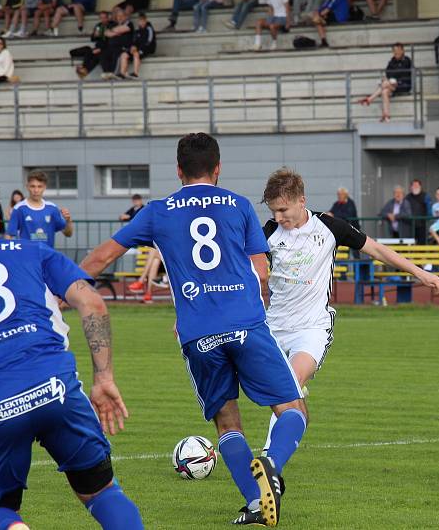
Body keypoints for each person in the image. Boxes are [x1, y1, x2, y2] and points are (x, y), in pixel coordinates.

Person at [80, 133, 308, 527]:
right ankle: (270, 463)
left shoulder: (157, 211)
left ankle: (256, 502)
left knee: (226, 421)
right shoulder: (238, 205)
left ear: (178, 170)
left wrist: (55, 293)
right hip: (246, 324)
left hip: (198, 331)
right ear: (218, 168)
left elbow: (101, 258)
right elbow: (262, 270)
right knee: (293, 409)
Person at [0, 178, 142, 529]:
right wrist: (104, 378)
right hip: (56, 389)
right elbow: (92, 302)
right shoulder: (33, 252)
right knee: (101, 492)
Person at [260, 168, 439, 449]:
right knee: (291, 401)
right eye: (274, 211)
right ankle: (294, 421)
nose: (278, 217)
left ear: (301, 201)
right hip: (273, 327)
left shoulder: (330, 227)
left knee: (287, 384)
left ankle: (269, 460)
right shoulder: (269, 234)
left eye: (283, 210)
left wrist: (419, 273)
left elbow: (378, 250)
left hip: (311, 327)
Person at [6, 171, 74, 248]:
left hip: (48, 257)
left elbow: (68, 234)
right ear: (27, 186)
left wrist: (68, 221)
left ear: (44, 187)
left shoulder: (52, 208)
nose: (36, 190)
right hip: (27, 257)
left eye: (39, 186)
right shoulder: (19, 208)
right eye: (33, 186)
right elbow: (9, 236)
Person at [357, 42, 412, 123]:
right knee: (384, 91)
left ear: (403, 51)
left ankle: (369, 99)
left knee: (386, 83)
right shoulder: (392, 61)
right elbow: (388, 72)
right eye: (394, 50)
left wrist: (392, 77)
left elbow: (399, 72)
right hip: (393, 85)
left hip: (404, 85)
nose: (396, 52)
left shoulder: (406, 60)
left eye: (398, 50)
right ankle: (386, 116)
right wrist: (392, 77)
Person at [73, 10, 111, 79]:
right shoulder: (98, 25)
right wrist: (94, 35)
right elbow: (92, 39)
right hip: (98, 46)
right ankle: (84, 68)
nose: (103, 19)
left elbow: (112, 41)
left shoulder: (112, 25)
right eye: (101, 18)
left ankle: (86, 70)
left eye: (104, 17)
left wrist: (101, 49)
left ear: (108, 18)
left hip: (108, 47)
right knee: (89, 51)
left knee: (98, 55)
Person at [118, 11, 155, 79]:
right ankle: (122, 74)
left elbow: (149, 41)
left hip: (147, 48)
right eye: (140, 20)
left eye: (143, 20)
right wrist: (133, 46)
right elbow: (134, 41)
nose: (141, 22)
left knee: (136, 54)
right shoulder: (137, 31)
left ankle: (135, 73)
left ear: (146, 20)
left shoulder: (149, 29)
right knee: (124, 54)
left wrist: (139, 49)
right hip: (137, 48)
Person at [100, 7, 133, 79]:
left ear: (125, 17)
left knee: (116, 53)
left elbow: (122, 29)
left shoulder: (129, 23)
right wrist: (115, 32)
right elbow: (105, 33)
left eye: (122, 16)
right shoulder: (114, 24)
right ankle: (107, 72)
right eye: (118, 16)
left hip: (123, 47)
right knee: (103, 54)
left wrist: (112, 31)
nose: (120, 18)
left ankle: (113, 73)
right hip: (112, 47)